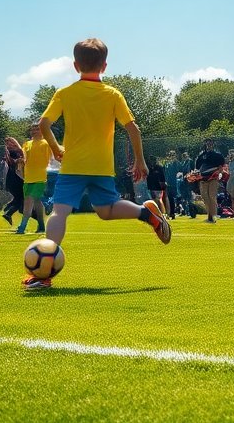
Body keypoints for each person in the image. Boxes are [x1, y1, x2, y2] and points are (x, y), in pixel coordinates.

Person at [30, 38, 171, 290]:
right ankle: (145, 213)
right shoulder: (112, 94)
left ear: (75, 66)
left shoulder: (65, 93)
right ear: (104, 66)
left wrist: (56, 148)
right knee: (106, 211)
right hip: (102, 166)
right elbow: (133, 129)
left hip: (73, 165)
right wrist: (139, 160)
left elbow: (43, 124)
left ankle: (44, 275)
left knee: (60, 212)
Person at [15, 123, 51, 235]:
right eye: (33, 129)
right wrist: (20, 165)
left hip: (41, 177)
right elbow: (23, 158)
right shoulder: (27, 144)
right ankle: (41, 226)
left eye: (37, 129)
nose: (34, 131)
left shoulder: (46, 144)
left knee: (29, 200)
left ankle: (22, 227)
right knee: (37, 202)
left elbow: (51, 159)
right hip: (28, 178)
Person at [192, 139, 226, 222]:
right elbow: (197, 168)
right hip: (203, 179)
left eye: (210, 143)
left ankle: (213, 216)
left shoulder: (217, 155)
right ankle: (209, 214)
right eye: (207, 143)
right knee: (204, 197)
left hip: (213, 178)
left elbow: (221, 167)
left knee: (212, 196)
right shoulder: (201, 156)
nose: (209, 145)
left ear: (213, 144)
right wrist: (195, 175)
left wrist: (219, 172)